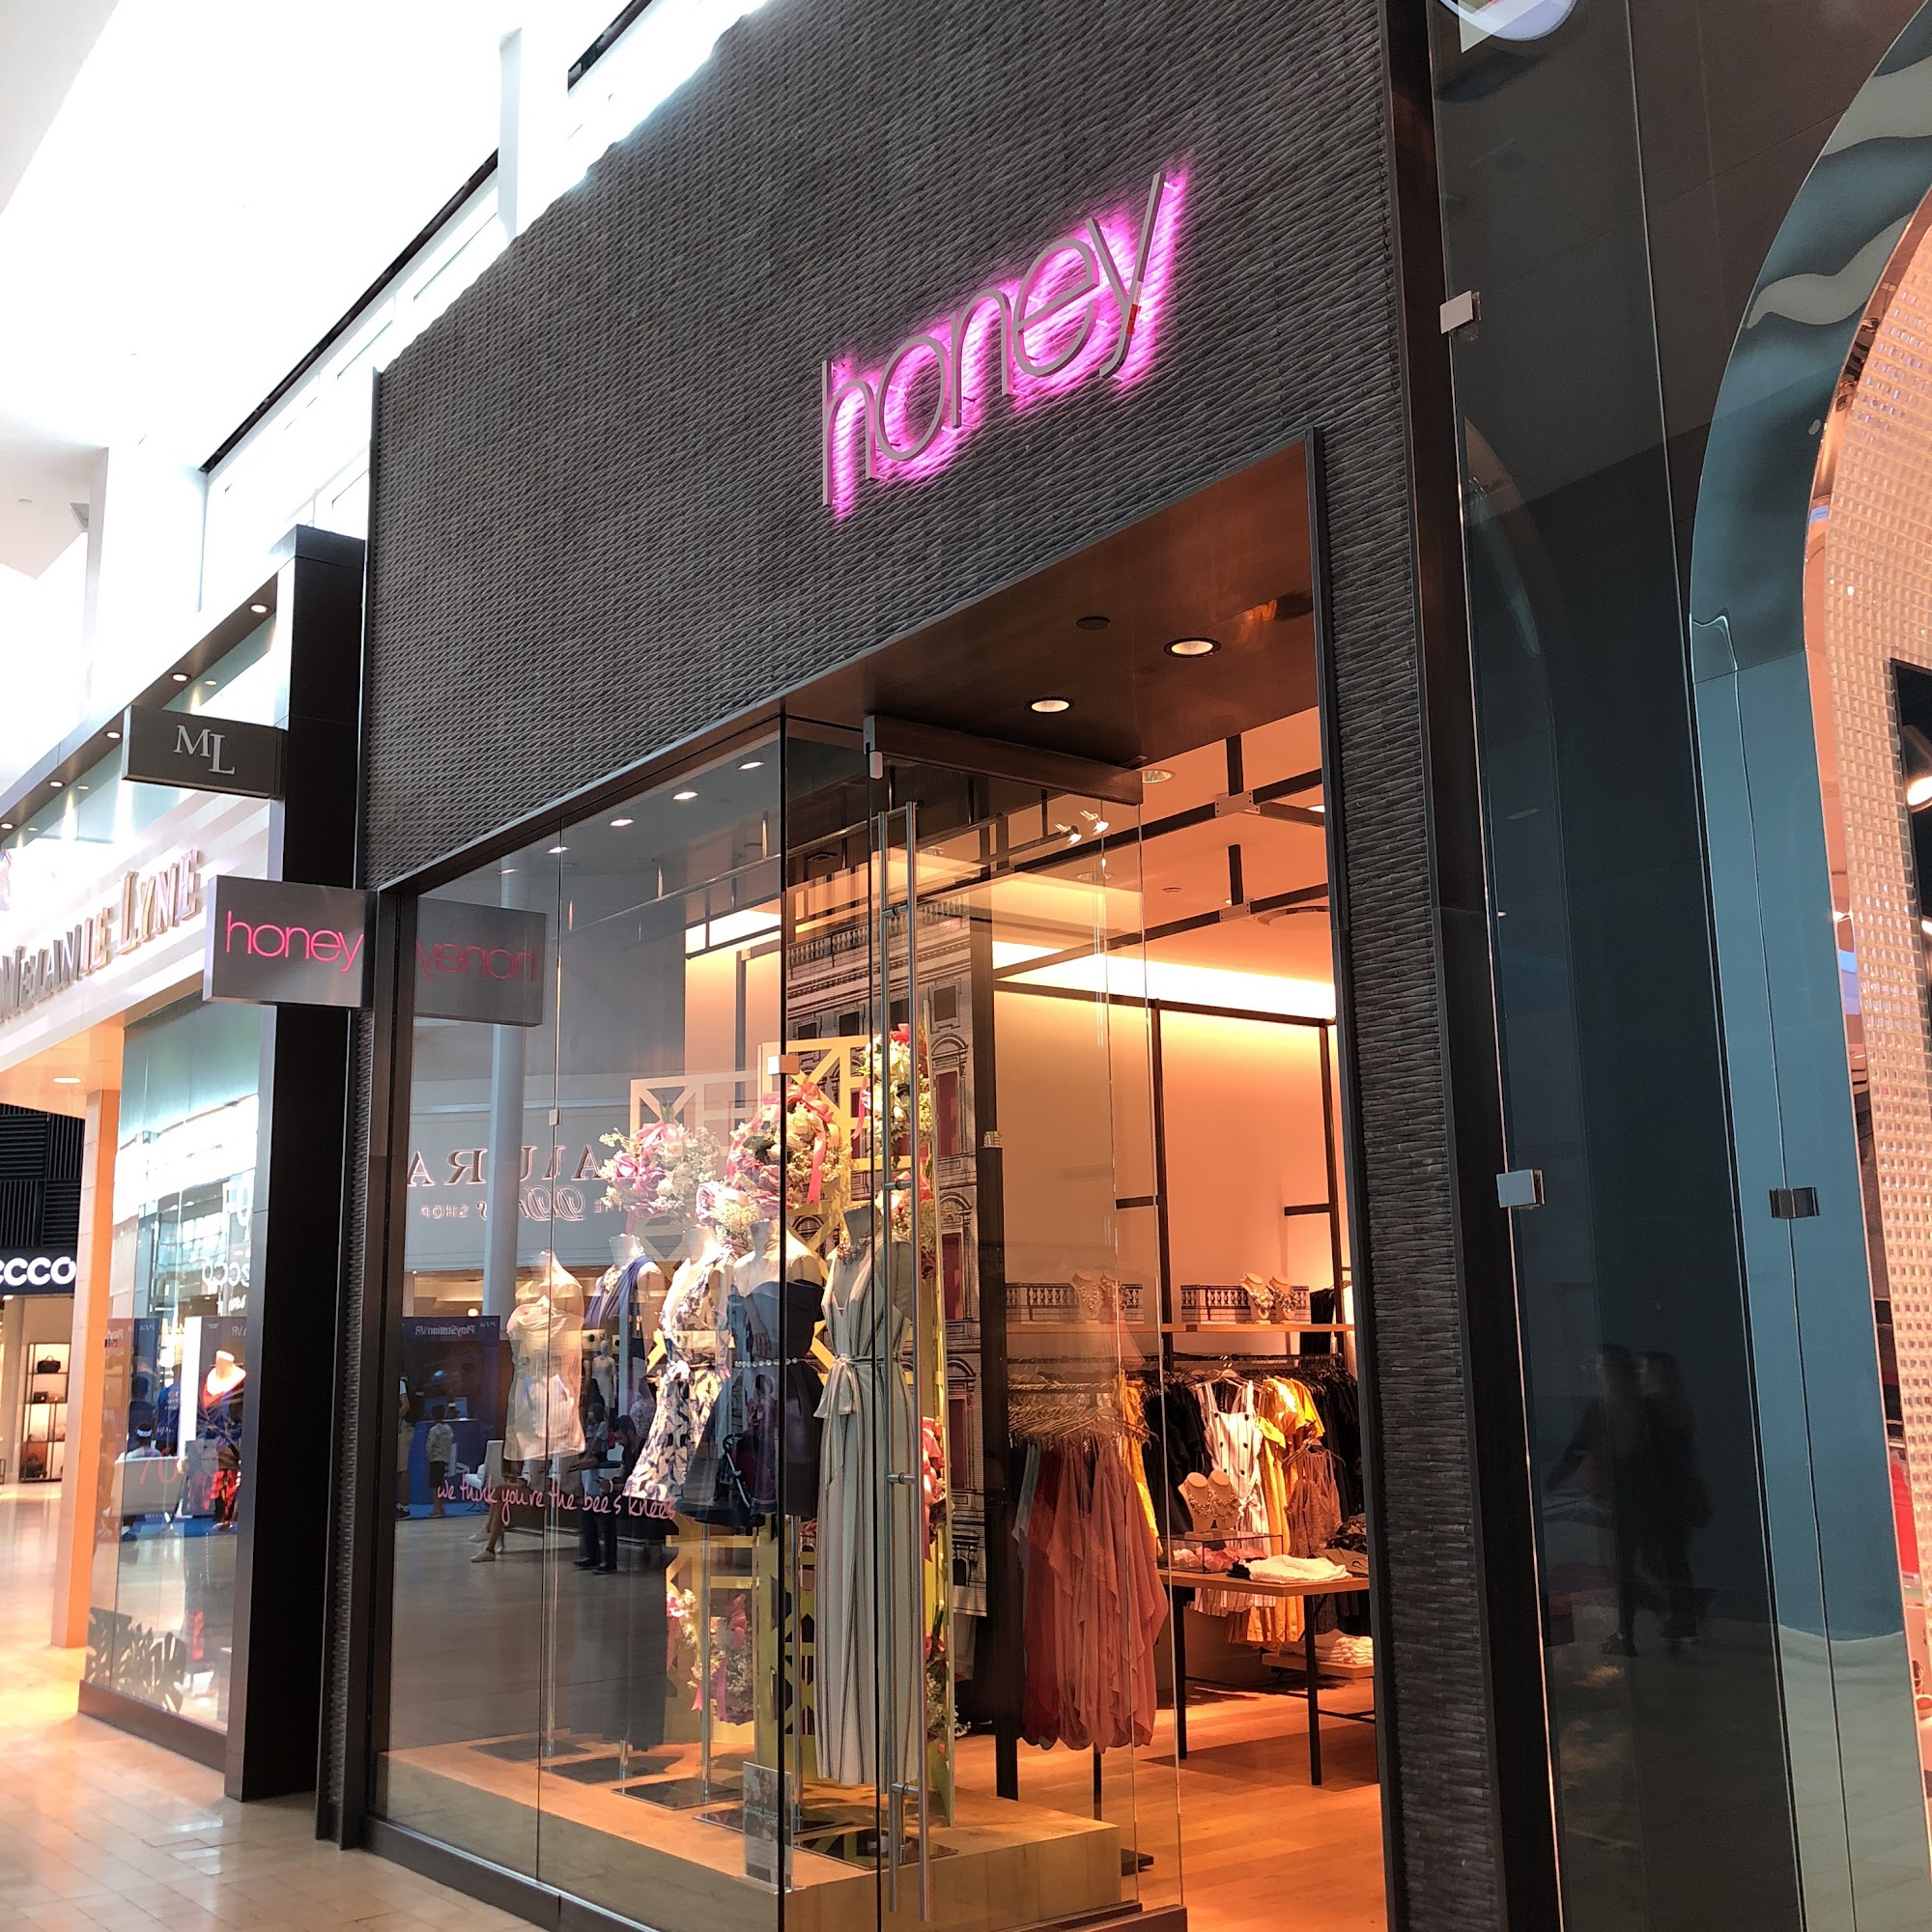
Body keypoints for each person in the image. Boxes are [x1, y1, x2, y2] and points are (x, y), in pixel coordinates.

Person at [1548, 1344, 1647, 1654]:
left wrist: (1555, 1480)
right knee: (1631, 1564)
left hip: (1619, 1497)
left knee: (1623, 1565)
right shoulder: (1636, 1408)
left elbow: (1577, 1449)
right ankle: (1634, 1629)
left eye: (1600, 1368)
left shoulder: (1602, 1409)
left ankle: (1629, 1632)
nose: (1595, 1373)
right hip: (1631, 1497)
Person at [425, 1405, 456, 1519]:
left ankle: (437, 1509)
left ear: (432, 1415)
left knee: (435, 1485)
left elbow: (430, 1445)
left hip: (435, 1459)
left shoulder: (434, 1430)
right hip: (444, 1459)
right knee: (439, 1484)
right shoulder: (448, 1429)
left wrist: (429, 1456)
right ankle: (440, 1507)